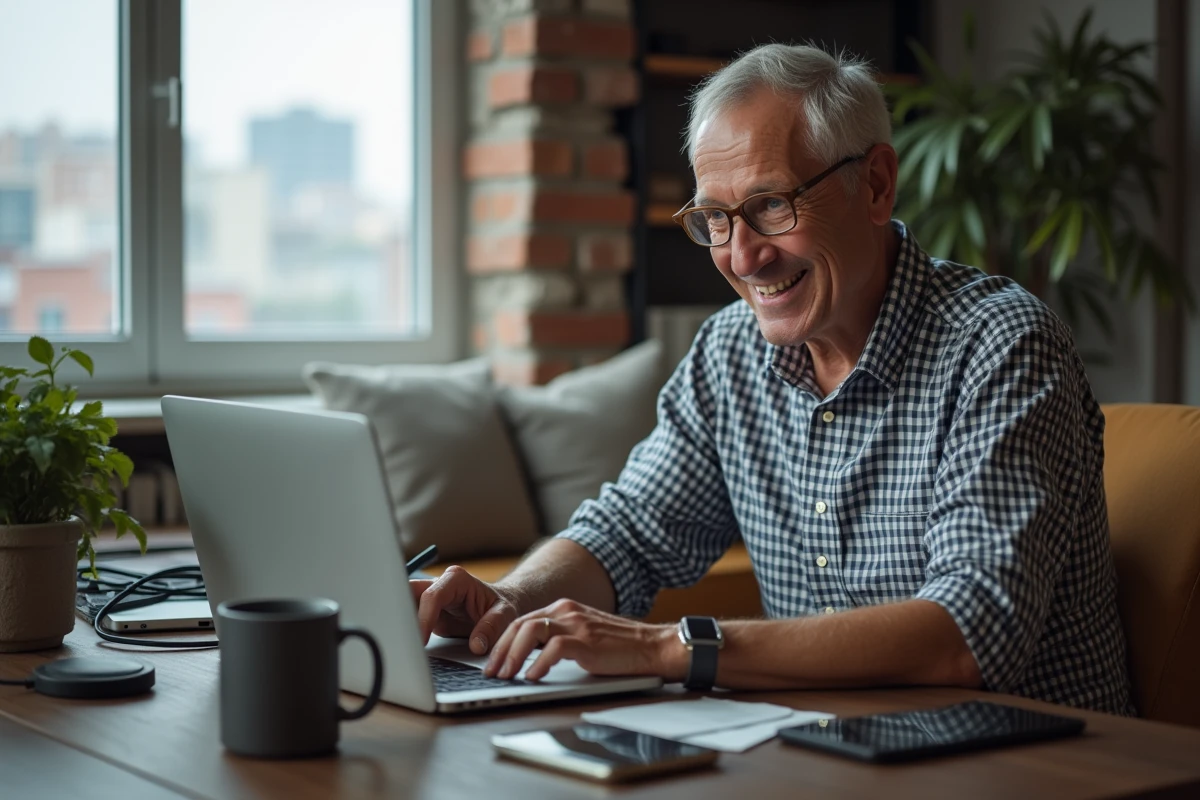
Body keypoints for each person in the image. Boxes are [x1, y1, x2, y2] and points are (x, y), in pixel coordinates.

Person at [411, 43, 1134, 715]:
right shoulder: (730, 352)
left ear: (876, 184)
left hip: (1035, 763)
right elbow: (627, 532)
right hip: (828, 750)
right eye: (716, 220)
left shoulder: (1001, 345)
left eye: (769, 206)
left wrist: (670, 648)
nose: (743, 256)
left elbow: (971, 633)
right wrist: (512, 597)